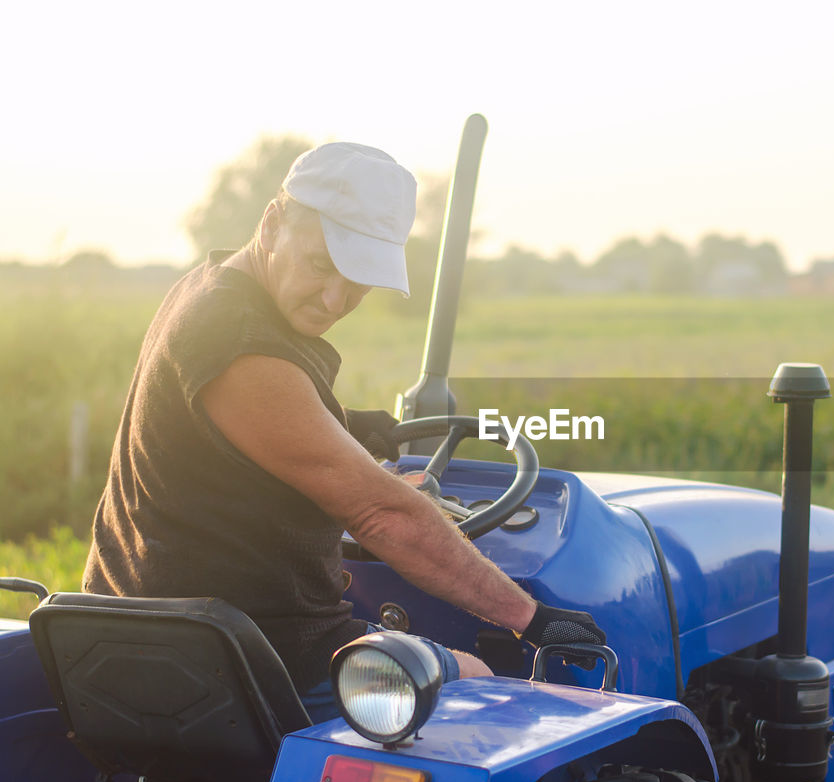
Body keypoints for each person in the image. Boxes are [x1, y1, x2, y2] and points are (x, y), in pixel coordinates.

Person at [82, 142, 605, 720]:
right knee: (481, 680)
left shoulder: (208, 291)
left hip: (152, 632)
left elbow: (250, 436)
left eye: (356, 281)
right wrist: (531, 618)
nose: (334, 299)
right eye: (320, 265)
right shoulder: (240, 345)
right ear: (273, 223)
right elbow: (385, 519)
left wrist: (360, 431)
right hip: (244, 660)